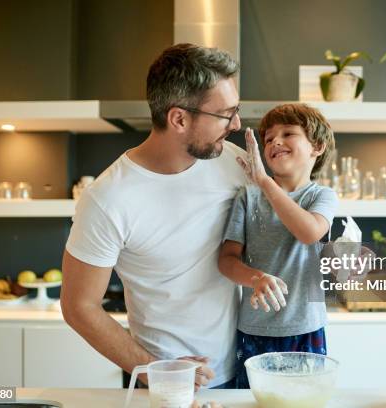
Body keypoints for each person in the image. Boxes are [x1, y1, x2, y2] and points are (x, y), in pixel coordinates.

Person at [60, 43, 247, 389]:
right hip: (160, 384)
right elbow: (78, 306)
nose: (235, 123)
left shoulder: (232, 163)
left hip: (244, 371)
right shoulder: (107, 199)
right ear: (179, 118)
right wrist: (154, 369)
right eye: (225, 114)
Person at [218, 103, 338, 388]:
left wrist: (264, 182)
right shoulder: (248, 197)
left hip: (305, 328)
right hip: (253, 329)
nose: (275, 142)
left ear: (317, 147)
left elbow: (309, 232)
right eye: (269, 138)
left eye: (288, 133)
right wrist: (255, 277)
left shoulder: (322, 196)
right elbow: (227, 260)